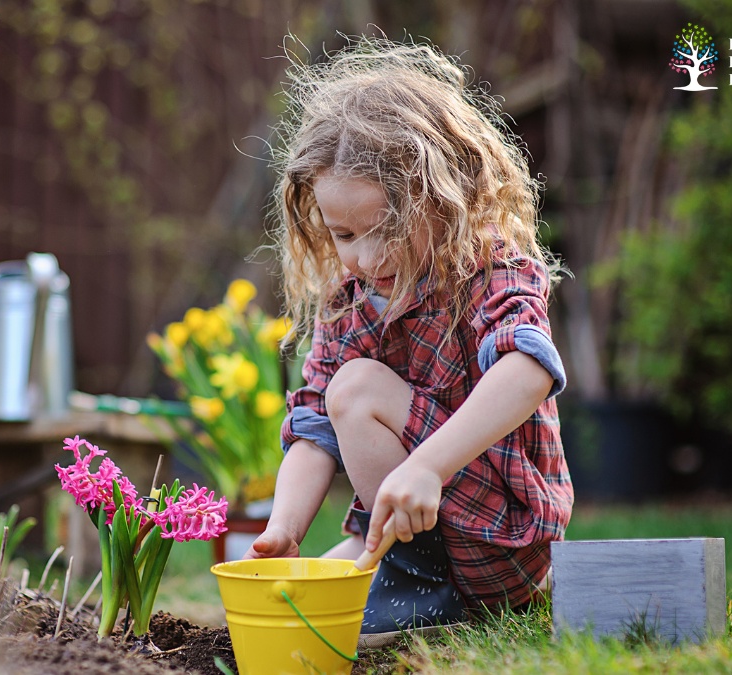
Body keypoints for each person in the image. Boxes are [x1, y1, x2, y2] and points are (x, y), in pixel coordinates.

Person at [246, 37, 574, 644]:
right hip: (424, 529)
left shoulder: (490, 269)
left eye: (386, 228)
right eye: (344, 234)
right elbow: (314, 423)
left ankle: (421, 588)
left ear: (444, 198)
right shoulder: (349, 298)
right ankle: (405, 572)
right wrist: (284, 527)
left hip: (503, 538)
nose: (366, 257)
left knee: (358, 388)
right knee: (303, 597)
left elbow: (528, 368)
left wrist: (427, 465)